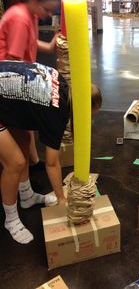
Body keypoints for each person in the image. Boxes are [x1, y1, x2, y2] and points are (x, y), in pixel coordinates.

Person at [0, 60, 102, 244]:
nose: (89, 121)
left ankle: (27, 197)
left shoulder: (62, 83)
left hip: (5, 95)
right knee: (15, 162)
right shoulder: (56, 112)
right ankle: (11, 220)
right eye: (89, 116)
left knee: (24, 139)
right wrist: (62, 199)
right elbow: (52, 163)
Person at [0, 0, 62, 170]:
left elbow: (30, 41)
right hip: (7, 77)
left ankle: (33, 164)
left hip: (15, 72)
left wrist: (50, 46)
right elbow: (13, 61)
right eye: (46, 9)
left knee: (26, 132)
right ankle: (27, 168)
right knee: (23, 130)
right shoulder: (20, 18)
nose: (46, 15)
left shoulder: (30, 14)